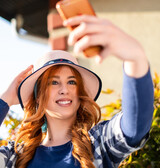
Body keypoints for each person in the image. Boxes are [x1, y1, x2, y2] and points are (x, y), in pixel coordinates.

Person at [0, 15, 154, 168]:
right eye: (54, 82)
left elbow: (134, 128)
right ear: (38, 96)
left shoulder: (98, 144)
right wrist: (5, 100)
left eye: (72, 82)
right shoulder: (14, 157)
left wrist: (135, 58)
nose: (65, 90)